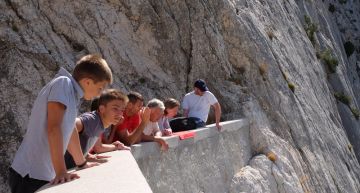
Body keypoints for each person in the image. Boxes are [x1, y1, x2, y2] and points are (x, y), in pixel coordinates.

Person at [9, 54, 112, 193]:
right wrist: (61, 171)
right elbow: (53, 128)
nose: (99, 94)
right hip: (30, 174)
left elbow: (70, 132)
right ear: (87, 82)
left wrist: (81, 163)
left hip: (41, 175)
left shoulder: (71, 93)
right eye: (100, 88)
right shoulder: (63, 84)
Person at [64, 89, 130, 169]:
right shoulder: (93, 120)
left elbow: (96, 146)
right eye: (115, 109)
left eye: (122, 110)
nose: (120, 114)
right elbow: (69, 124)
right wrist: (81, 162)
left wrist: (86, 155)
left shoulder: (99, 123)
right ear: (102, 109)